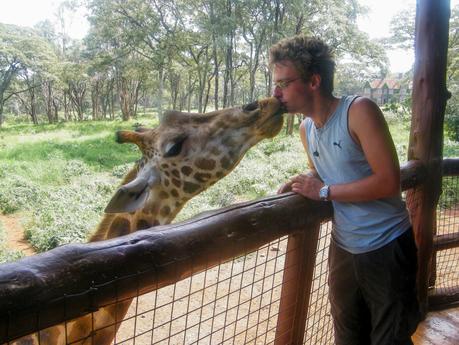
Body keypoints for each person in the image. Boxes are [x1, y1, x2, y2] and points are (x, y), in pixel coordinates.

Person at [270, 35, 420, 345]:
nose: (276, 93)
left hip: (388, 247)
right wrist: (303, 180)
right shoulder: (306, 129)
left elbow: (388, 181)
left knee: (390, 339)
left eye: (284, 83)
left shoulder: (359, 111)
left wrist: (323, 192)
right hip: (344, 249)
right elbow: (330, 171)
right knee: (348, 337)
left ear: (314, 81)